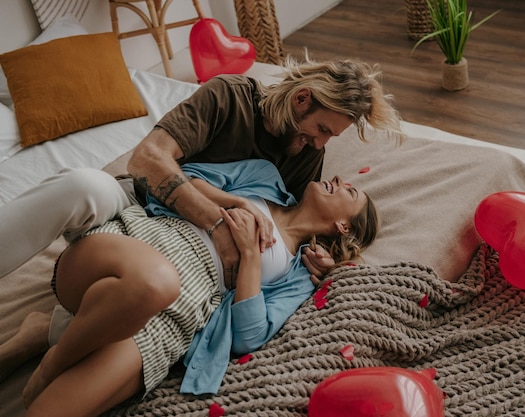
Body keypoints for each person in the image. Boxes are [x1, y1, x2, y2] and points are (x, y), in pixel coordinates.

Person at [1, 159, 379, 417]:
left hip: (170, 322)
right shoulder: (264, 178)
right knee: (153, 281)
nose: (342, 181)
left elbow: (249, 334)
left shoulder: (299, 272)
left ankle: (52, 330)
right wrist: (232, 204)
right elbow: (184, 178)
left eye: (350, 191)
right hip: (134, 244)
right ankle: (54, 361)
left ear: (344, 226)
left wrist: (250, 254)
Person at [0, 52, 403, 283]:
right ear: (301, 99)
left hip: (181, 253)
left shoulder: (307, 151)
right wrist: (216, 221)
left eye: (331, 136)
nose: (321, 143)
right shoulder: (229, 96)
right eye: (322, 128)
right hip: (137, 204)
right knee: (81, 185)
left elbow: (304, 225)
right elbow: (146, 160)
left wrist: (328, 261)